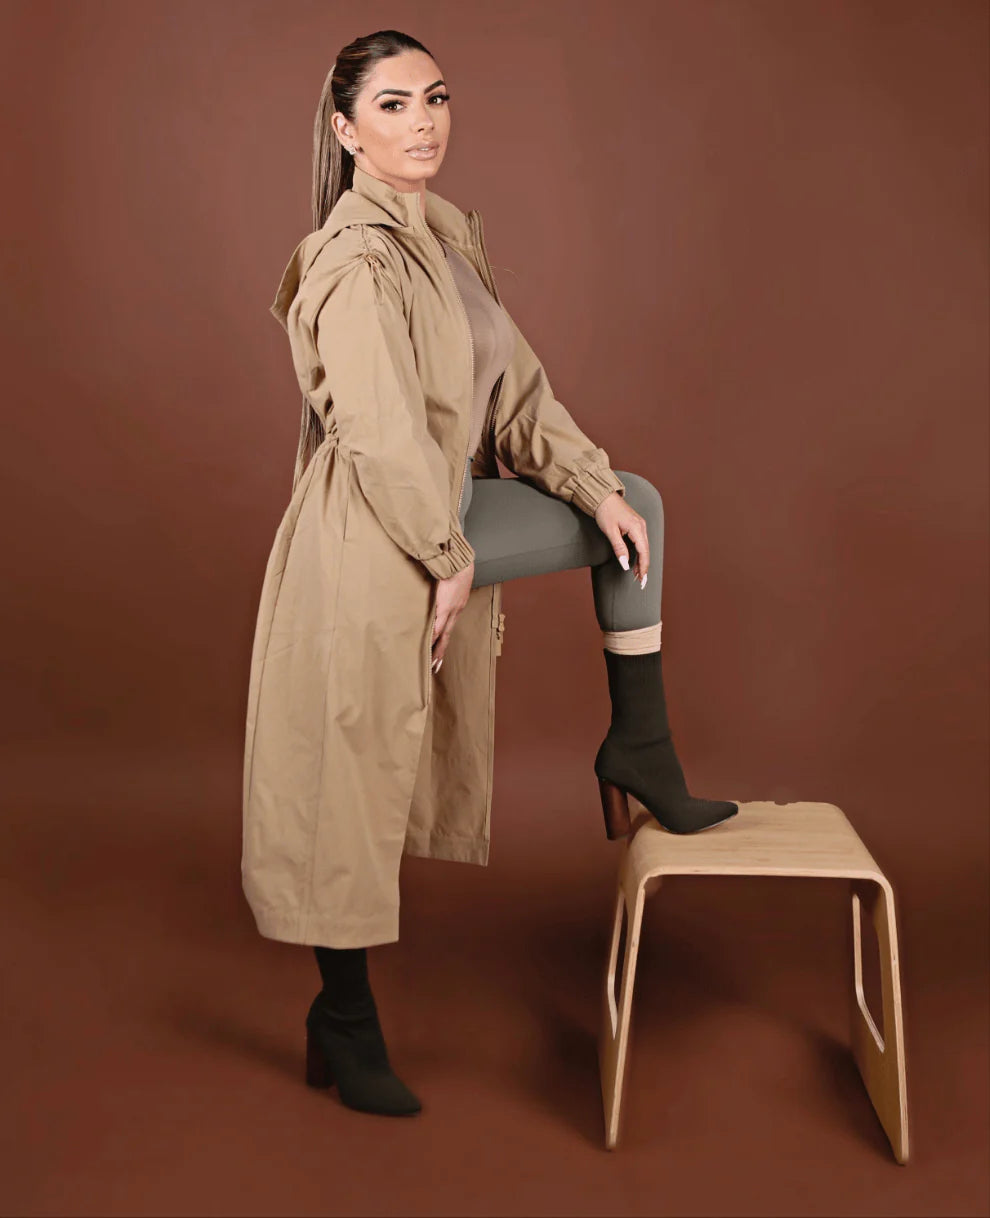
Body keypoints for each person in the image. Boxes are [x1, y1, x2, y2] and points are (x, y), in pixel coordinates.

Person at [243, 29, 738, 1118]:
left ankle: (639, 746)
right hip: (370, 533)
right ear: (344, 131)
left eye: (436, 97)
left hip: (440, 510)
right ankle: (345, 1017)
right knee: (351, 780)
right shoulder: (349, 258)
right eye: (392, 105)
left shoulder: (446, 241)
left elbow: (515, 396)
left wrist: (585, 483)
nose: (423, 121)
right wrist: (443, 554)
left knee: (635, 507)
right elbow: (374, 433)